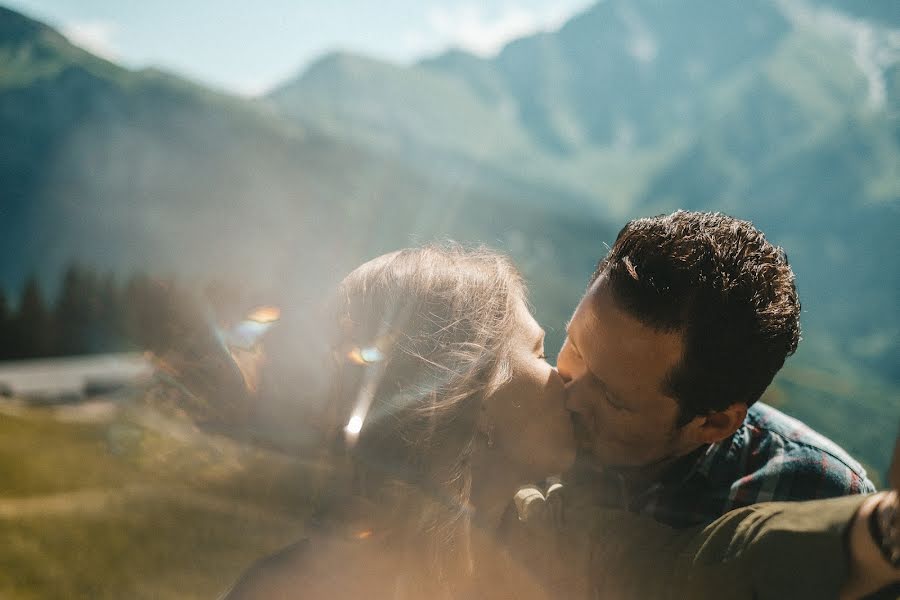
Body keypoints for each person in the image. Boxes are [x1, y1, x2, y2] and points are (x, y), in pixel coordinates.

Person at [219, 244, 898, 599]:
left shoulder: (546, 540)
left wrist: (879, 529)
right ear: (470, 410)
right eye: (546, 352)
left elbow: (707, 568)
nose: (568, 382)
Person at [558, 211, 875, 528]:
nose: (568, 397)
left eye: (613, 397)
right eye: (575, 347)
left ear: (714, 423)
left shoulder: (821, 501)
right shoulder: (521, 402)